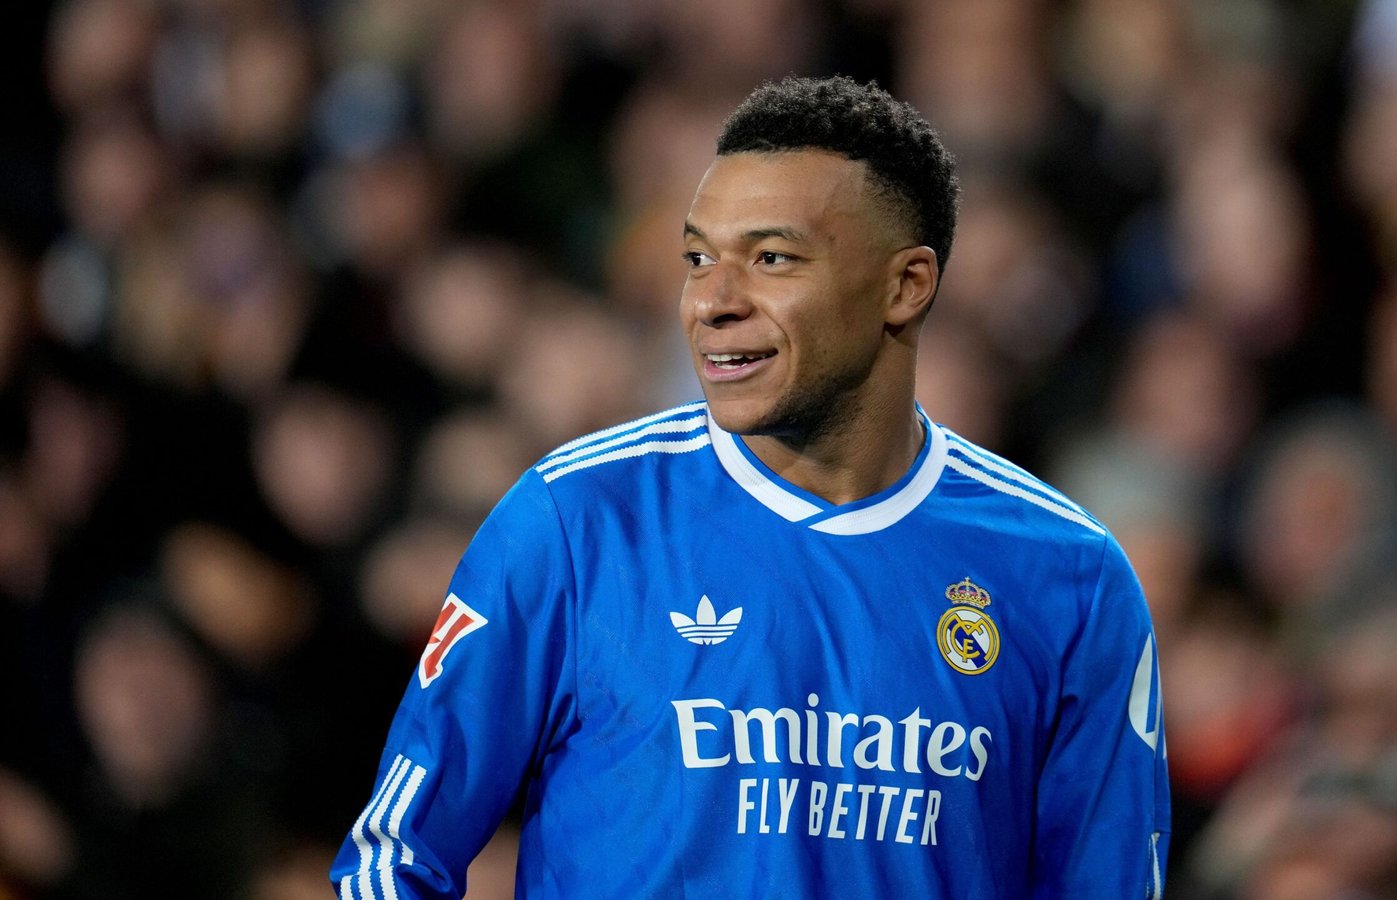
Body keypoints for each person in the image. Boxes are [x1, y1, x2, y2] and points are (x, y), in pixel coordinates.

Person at [331, 75, 1170, 899]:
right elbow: (391, 858)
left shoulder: (1072, 581)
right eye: (699, 257)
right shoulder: (576, 522)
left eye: (772, 258)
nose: (711, 302)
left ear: (905, 286)